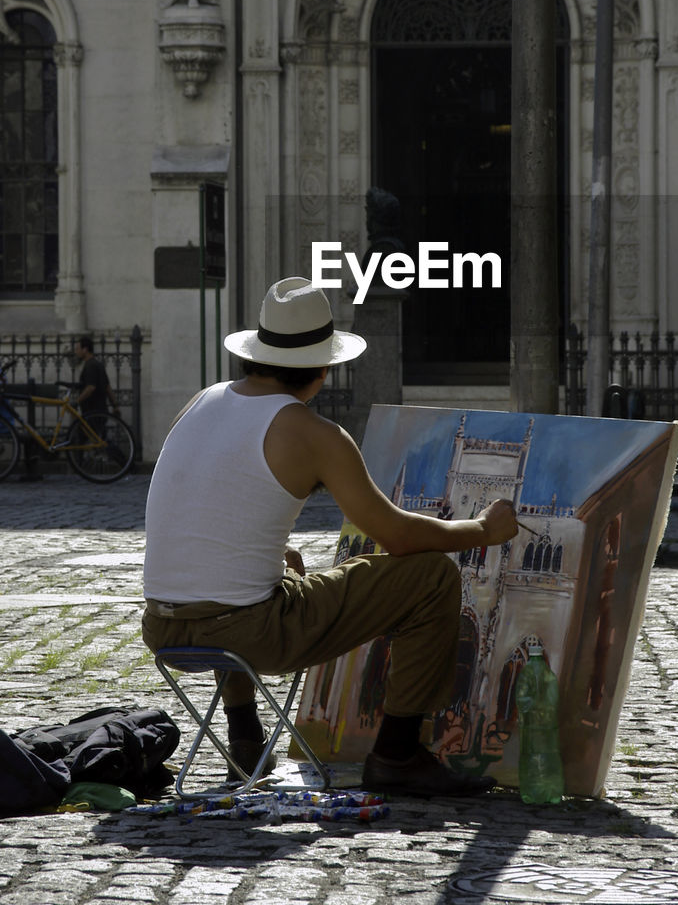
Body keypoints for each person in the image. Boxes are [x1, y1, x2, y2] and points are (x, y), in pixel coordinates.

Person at [142, 276, 518, 797]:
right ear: (322, 370)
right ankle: (398, 753)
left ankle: (246, 738)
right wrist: (481, 528)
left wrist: (264, 551)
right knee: (430, 577)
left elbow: (203, 518)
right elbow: (398, 536)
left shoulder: (202, 401)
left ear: (257, 353)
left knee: (241, 587)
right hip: (251, 633)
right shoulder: (315, 434)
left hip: (163, 628)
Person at [74, 337, 119, 419]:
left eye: (78, 349)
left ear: (85, 349)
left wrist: (77, 402)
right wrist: (115, 405)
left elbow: (90, 387)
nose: (76, 352)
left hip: (92, 411)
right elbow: (107, 387)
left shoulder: (90, 366)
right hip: (101, 411)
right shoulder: (98, 364)